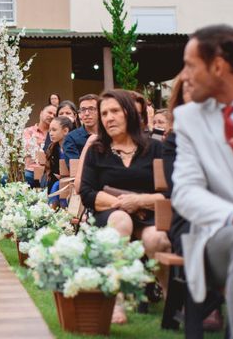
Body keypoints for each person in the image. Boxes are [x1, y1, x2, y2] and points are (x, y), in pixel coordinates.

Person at [80, 89, 170, 324]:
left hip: (148, 215)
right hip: (109, 217)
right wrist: (122, 203)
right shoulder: (97, 150)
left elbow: (174, 193)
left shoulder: (155, 148)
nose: (108, 117)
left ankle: (172, 298)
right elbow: (87, 193)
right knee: (122, 220)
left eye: (114, 111)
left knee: (156, 239)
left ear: (129, 113)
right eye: (104, 113)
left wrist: (140, 201)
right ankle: (115, 300)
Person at [172, 24, 233, 337]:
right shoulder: (189, 120)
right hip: (218, 232)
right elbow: (185, 192)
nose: (184, 76)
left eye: (190, 65)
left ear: (219, 66)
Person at [22, 104, 56, 187]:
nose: (52, 116)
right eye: (49, 113)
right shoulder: (28, 132)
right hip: (30, 170)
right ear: (41, 113)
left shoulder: (55, 134)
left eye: (55, 115)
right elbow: (28, 150)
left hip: (48, 171)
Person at [45, 116, 75, 208]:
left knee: (58, 185)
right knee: (56, 185)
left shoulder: (73, 147)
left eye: (54, 130)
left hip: (73, 181)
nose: (51, 133)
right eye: (50, 130)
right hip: (58, 181)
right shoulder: (53, 148)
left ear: (65, 131)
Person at [63, 94, 99, 166]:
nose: (86, 113)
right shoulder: (71, 138)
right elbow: (73, 166)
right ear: (79, 114)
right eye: (83, 110)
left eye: (91, 109)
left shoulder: (109, 134)